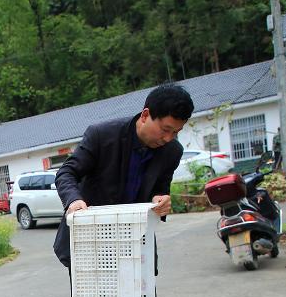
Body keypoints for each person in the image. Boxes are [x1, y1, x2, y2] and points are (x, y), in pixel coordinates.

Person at [53, 84, 195, 273]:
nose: (168, 138)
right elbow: (66, 172)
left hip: (136, 244)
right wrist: (74, 200)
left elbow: (160, 188)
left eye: (176, 132)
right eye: (165, 129)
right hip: (91, 243)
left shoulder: (172, 151)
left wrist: (160, 199)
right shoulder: (101, 135)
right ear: (145, 115)